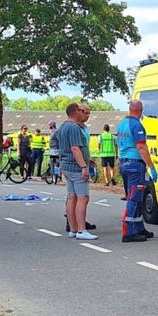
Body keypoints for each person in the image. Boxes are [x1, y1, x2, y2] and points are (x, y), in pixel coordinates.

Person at [116, 99, 156, 243]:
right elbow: (141, 147)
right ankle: (128, 231)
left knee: (136, 197)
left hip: (123, 163)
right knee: (134, 199)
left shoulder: (121, 124)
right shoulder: (136, 125)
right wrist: (151, 166)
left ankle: (139, 228)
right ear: (141, 110)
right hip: (135, 165)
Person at [56, 102, 96, 240]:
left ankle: (73, 229)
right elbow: (75, 148)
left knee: (71, 197)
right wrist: (84, 166)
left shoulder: (63, 126)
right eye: (83, 111)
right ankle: (81, 230)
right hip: (76, 167)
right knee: (83, 198)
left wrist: (87, 159)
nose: (86, 115)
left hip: (67, 166)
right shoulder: (74, 128)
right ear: (76, 111)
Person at [46, 120, 61, 184]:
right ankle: (53, 175)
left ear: (53, 125)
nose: (49, 126)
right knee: (52, 162)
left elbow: (59, 140)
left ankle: (56, 174)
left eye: (50, 125)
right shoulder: (52, 132)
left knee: (56, 163)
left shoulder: (56, 132)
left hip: (56, 149)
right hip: (52, 149)